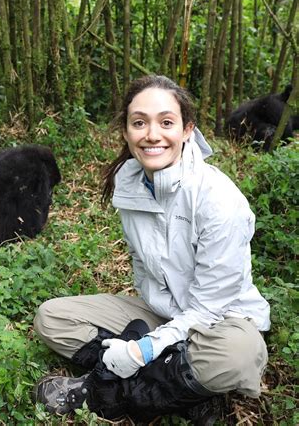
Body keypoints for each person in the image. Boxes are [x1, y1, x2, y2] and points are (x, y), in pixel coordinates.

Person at [32, 75, 270, 423]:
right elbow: (143, 269)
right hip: (166, 312)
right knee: (52, 319)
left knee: (237, 356)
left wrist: (144, 349)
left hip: (222, 320)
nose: (152, 134)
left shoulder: (218, 200)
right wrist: (157, 337)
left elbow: (209, 307)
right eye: (139, 122)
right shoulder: (129, 185)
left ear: (187, 130)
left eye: (166, 122)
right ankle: (186, 388)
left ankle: (102, 393)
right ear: (127, 132)